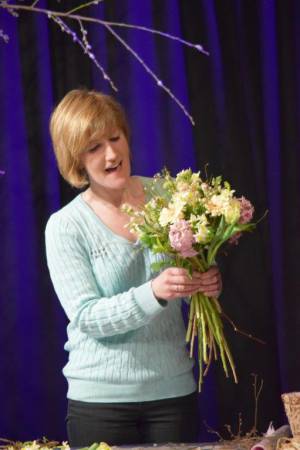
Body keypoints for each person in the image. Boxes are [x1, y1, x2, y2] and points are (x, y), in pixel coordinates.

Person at [45, 89, 222, 447]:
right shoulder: (66, 226)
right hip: (100, 405)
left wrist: (207, 284)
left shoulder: (170, 197)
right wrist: (154, 292)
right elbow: (86, 316)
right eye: (94, 147)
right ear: (75, 159)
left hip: (173, 392)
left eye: (115, 138)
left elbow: (194, 280)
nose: (111, 154)